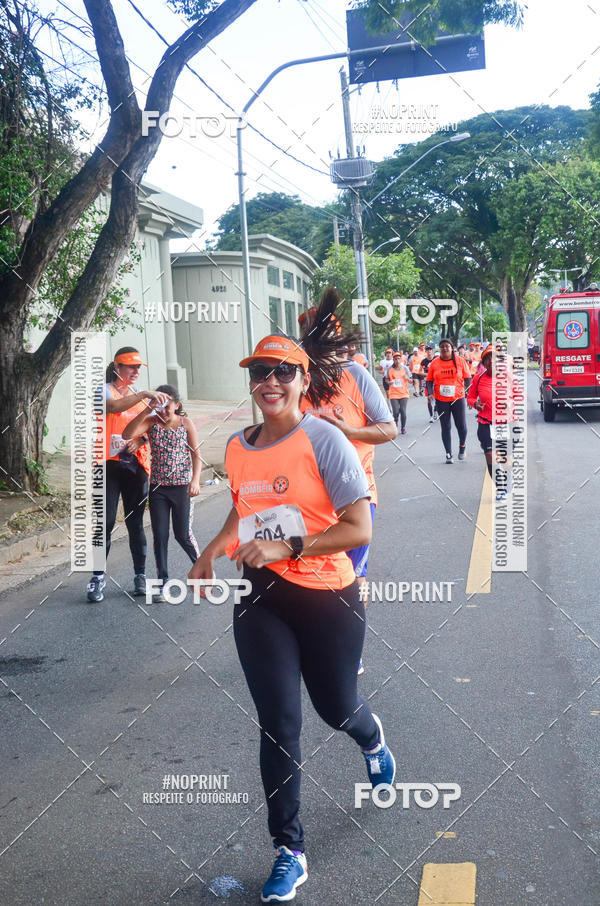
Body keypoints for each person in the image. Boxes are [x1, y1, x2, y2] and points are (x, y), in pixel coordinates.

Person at [188, 327, 396, 904]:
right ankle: (289, 850)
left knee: (336, 708)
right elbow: (243, 506)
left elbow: (359, 528)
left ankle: (373, 741)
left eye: (283, 372)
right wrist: (211, 551)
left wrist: (288, 546)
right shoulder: (237, 446)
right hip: (261, 599)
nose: (270, 382)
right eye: (260, 372)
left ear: (305, 380)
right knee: (279, 723)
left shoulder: (324, 439)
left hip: (328, 596)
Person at [298, 294, 396, 661]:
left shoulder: (356, 374)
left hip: (355, 496)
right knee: (309, 574)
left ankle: (349, 652)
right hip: (305, 497)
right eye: (313, 337)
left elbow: (388, 429)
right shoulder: (296, 380)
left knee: (352, 579)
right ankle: (312, 643)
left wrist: (346, 432)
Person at [87, 348, 170, 603]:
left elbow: (155, 426)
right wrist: (144, 395)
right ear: (117, 367)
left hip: (136, 466)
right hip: (108, 466)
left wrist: (141, 439)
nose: (135, 372)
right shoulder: (106, 391)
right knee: (106, 522)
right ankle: (97, 578)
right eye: (130, 367)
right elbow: (112, 407)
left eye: (138, 368)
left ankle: (140, 576)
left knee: (135, 524)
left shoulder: (143, 397)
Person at [122, 384, 202, 602]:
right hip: (158, 489)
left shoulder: (186, 424)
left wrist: (195, 480)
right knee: (160, 536)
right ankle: (163, 583)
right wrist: (147, 410)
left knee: (182, 534)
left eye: (169, 406)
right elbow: (127, 434)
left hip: (182, 488)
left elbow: (196, 455)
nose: (165, 411)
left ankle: (203, 569)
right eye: (161, 406)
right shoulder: (151, 423)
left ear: (177, 405)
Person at [467, 345, 524, 500]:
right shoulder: (478, 378)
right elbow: (470, 397)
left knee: (505, 460)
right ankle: (501, 488)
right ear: (484, 362)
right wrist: (475, 404)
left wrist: (510, 405)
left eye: (494, 358)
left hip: (508, 423)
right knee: (491, 456)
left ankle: (508, 478)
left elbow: (520, 396)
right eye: (488, 358)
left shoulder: (508, 376)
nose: (491, 361)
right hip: (486, 423)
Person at [425, 338, 472, 463]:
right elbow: (429, 380)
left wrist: (468, 392)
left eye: (447, 346)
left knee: (461, 426)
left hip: (458, 398)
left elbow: (468, 379)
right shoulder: (434, 363)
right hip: (441, 400)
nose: (445, 348)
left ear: (452, 348)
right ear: (439, 349)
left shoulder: (461, 361)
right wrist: (430, 393)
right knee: (445, 427)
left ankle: (462, 447)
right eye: (442, 347)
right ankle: (448, 454)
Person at [387, 350, 413, 433]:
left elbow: (411, 380)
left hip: (404, 393)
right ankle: (396, 423)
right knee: (395, 412)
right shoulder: (389, 369)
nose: (397, 360)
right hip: (393, 393)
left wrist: (407, 379)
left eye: (399, 359)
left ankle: (403, 427)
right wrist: (389, 382)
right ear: (393, 360)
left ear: (401, 359)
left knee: (403, 411)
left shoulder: (405, 368)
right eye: (395, 359)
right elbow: (386, 379)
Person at [421, 345, 437, 423]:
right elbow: (420, 372)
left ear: (432, 351)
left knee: (437, 398)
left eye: (430, 349)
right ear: (426, 351)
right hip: (428, 381)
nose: (429, 351)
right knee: (429, 399)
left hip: (436, 381)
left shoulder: (436, 359)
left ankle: (436, 411)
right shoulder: (424, 361)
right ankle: (431, 416)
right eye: (427, 350)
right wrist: (427, 375)